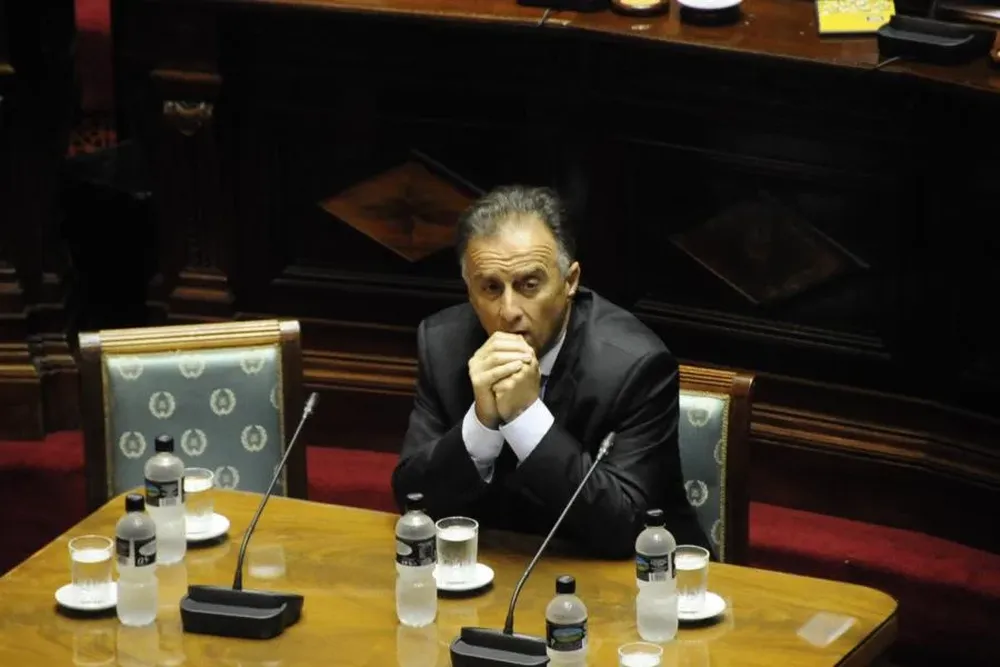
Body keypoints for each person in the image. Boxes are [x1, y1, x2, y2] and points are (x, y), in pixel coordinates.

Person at [391, 185, 710, 558]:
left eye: (529, 285)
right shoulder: (443, 346)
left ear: (570, 282)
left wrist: (525, 417)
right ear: (469, 291)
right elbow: (414, 501)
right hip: (503, 565)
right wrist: (481, 423)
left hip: (638, 575)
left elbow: (623, 527)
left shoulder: (635, 366)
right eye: (490, 288)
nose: (509, 311)